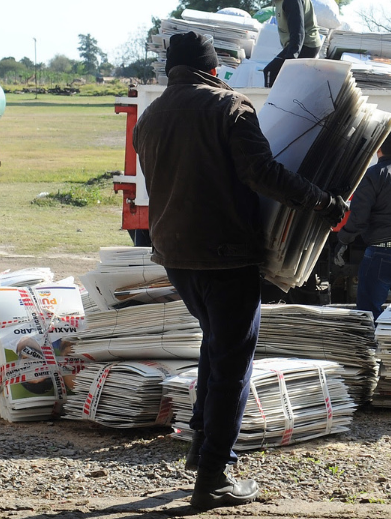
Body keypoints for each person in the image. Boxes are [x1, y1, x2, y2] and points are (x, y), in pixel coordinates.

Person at [133, 31, 347, 510]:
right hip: (226, 256)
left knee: (215, 346)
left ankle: (201, 445)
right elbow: (263, 174)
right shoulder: (230, 108)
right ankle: (214, 476)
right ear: (214, 67)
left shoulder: (149, 118)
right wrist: (322, 201)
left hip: (176, 258)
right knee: (232, 365)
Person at [337, 130, 391, 320]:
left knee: (368, 311)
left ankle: (370, 348)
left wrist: (342, 239)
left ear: (378, 150)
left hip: (384, 251)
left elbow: (359, 218)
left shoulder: (374, 174)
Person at [254, 0, 323, 87]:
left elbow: (298, 31)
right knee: (276, 74)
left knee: (271, 71)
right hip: (297, 45)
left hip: (306, 46)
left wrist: (290, 60)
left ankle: (273, 106)